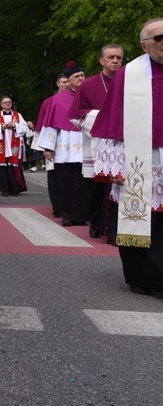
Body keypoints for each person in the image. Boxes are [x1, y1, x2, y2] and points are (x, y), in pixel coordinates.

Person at [92, 18, 163, 295]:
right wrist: (114, 163)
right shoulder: (130, 74)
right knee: (140, 214)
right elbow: (114, 118)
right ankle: (143, 277)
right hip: (140, 157)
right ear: (144, 44)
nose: (162, 42)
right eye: (157, 38)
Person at [69, 44, 124, 242]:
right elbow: (75, 116)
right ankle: (96, 223)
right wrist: (105, 118)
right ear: (102, 60)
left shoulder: (130, 83)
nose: (115, 61)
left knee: (120, 185)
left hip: (124, 145)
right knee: (97, 187)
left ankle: (118, 227)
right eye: (111, 57)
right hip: (98, 144)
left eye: (118, 57)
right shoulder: (89, 85)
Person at [37, 62, 88, 226]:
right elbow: (51, 124)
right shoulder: (58, 100)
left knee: (83, 183)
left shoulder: (89, 95)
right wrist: (48, 147)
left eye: (82, 75)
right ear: (69, 80)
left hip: (84, 144)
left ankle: (81, 215)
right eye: (77, 76)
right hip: (64, 147)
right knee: (64, 183)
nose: (81, 78)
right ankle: (66, 215)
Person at [32, 73, 70, 217]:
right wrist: (44, 147)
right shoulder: (50, 102)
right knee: (54, 175)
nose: (66, 84)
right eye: (63, 82)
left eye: (67, 82)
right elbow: (42, 125)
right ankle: (57, 207)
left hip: (72, 146)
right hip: (54, 144)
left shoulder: (77, 99)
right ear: (57, 84)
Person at [0, 96, 28, 196]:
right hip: (1, 144)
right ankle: (5, 190)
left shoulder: (17, 115)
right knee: (2, 168)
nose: (7, 104)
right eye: (5, 102)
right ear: (1, 104)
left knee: (13, 167)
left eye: (9, 102)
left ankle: (15, 190)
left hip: (13, 144)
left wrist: (15, 126)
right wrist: (1, 127)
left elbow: (25, 127)